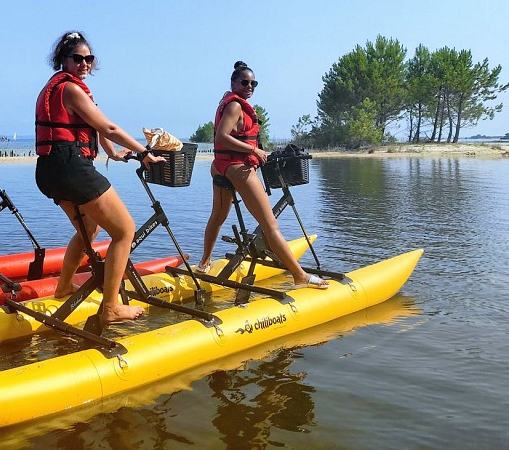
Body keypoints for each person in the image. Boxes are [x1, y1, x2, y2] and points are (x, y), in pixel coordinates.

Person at [34, 31, 165, 324]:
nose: (84, 63)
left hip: (49, 170)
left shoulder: (55, 89)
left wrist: (113, 153)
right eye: (77, 58)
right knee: (124, 231)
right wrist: (145, 152)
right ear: (63, 60)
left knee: (89, 230)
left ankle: (64, 286)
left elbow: (94, 127)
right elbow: (109, 127)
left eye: (88, 58)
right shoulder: (71, 90)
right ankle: (110, 308)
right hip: (71, 168)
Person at [197, 61, 328, 290]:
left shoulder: (226, 101)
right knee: (271, 226)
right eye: (244, 82)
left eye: (253, 83)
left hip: (221, 166)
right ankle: (299, 276)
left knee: (217, 217)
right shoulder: (236, 106)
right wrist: (253, 150)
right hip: (238, 167)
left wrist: (255, 150)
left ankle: (204, 264)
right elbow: (221, 137)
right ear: (234, 83)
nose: (249, 86)